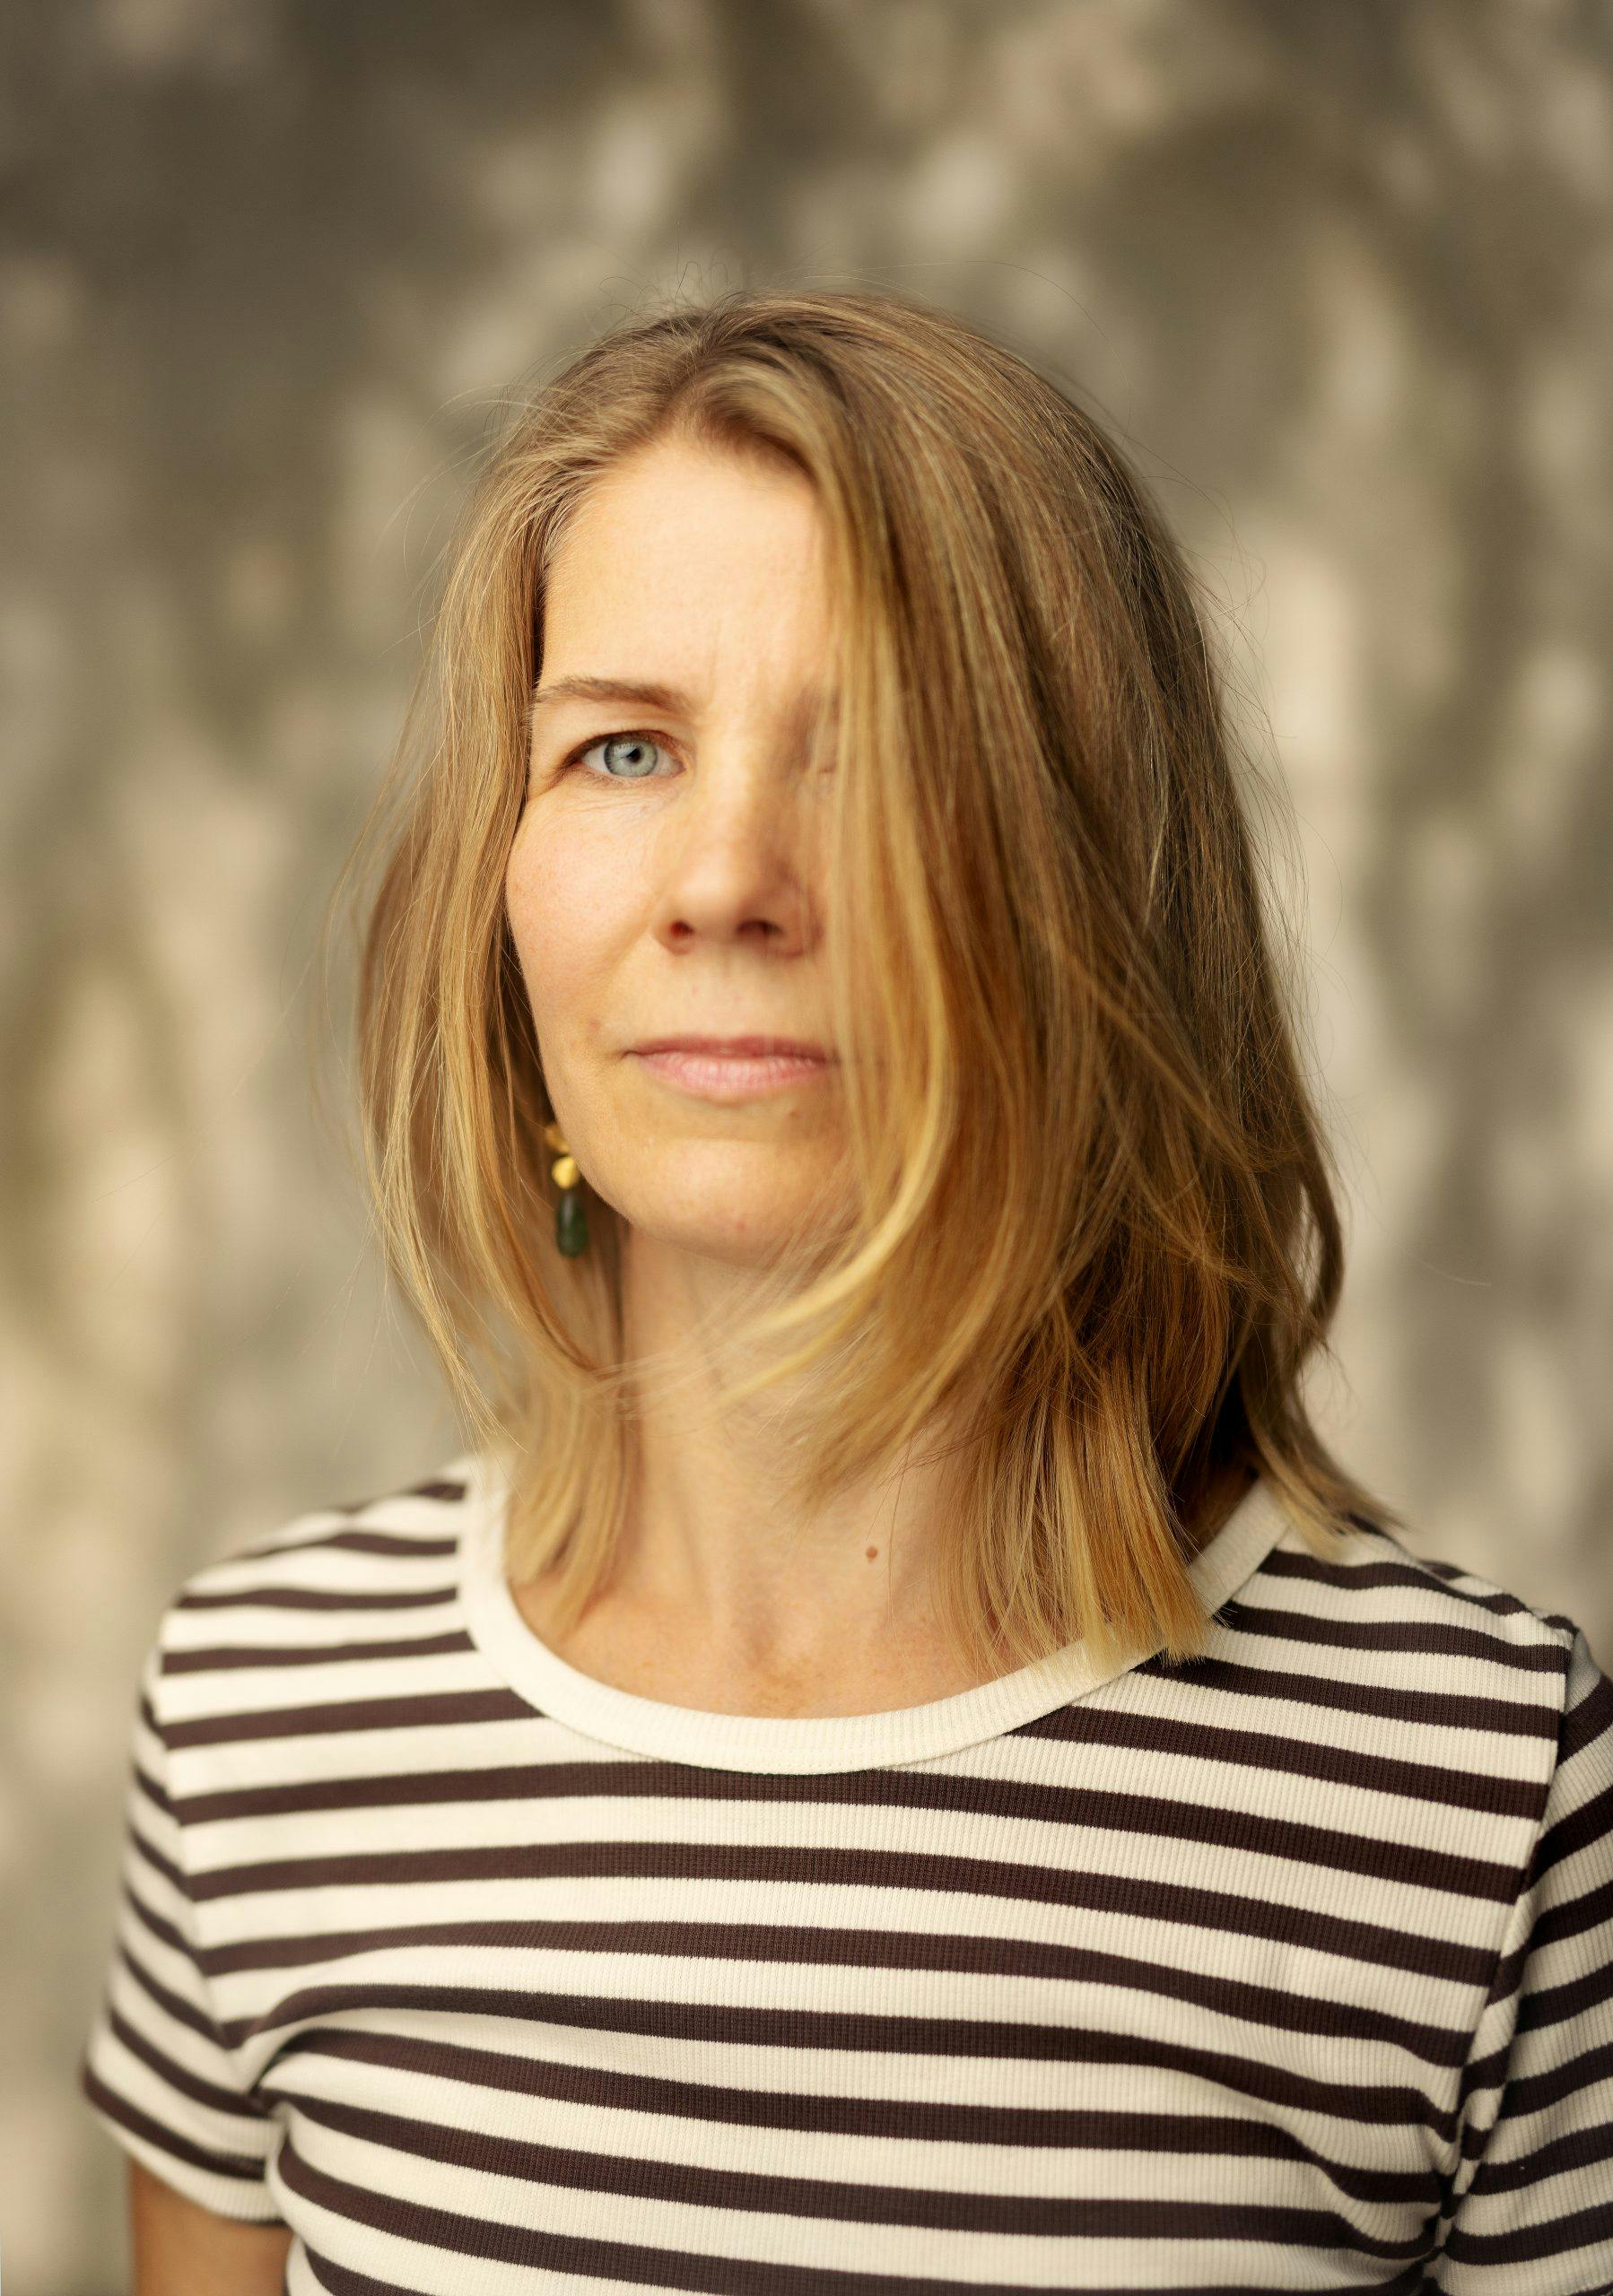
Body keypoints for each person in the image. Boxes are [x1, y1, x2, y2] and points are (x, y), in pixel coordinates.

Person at [81, 287, 1613, 2294]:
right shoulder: (261, 1721)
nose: (726, 879)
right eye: (623, 746)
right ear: (500, 883)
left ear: (1096, 884)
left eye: (876, 752)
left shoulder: (1475, 1798)